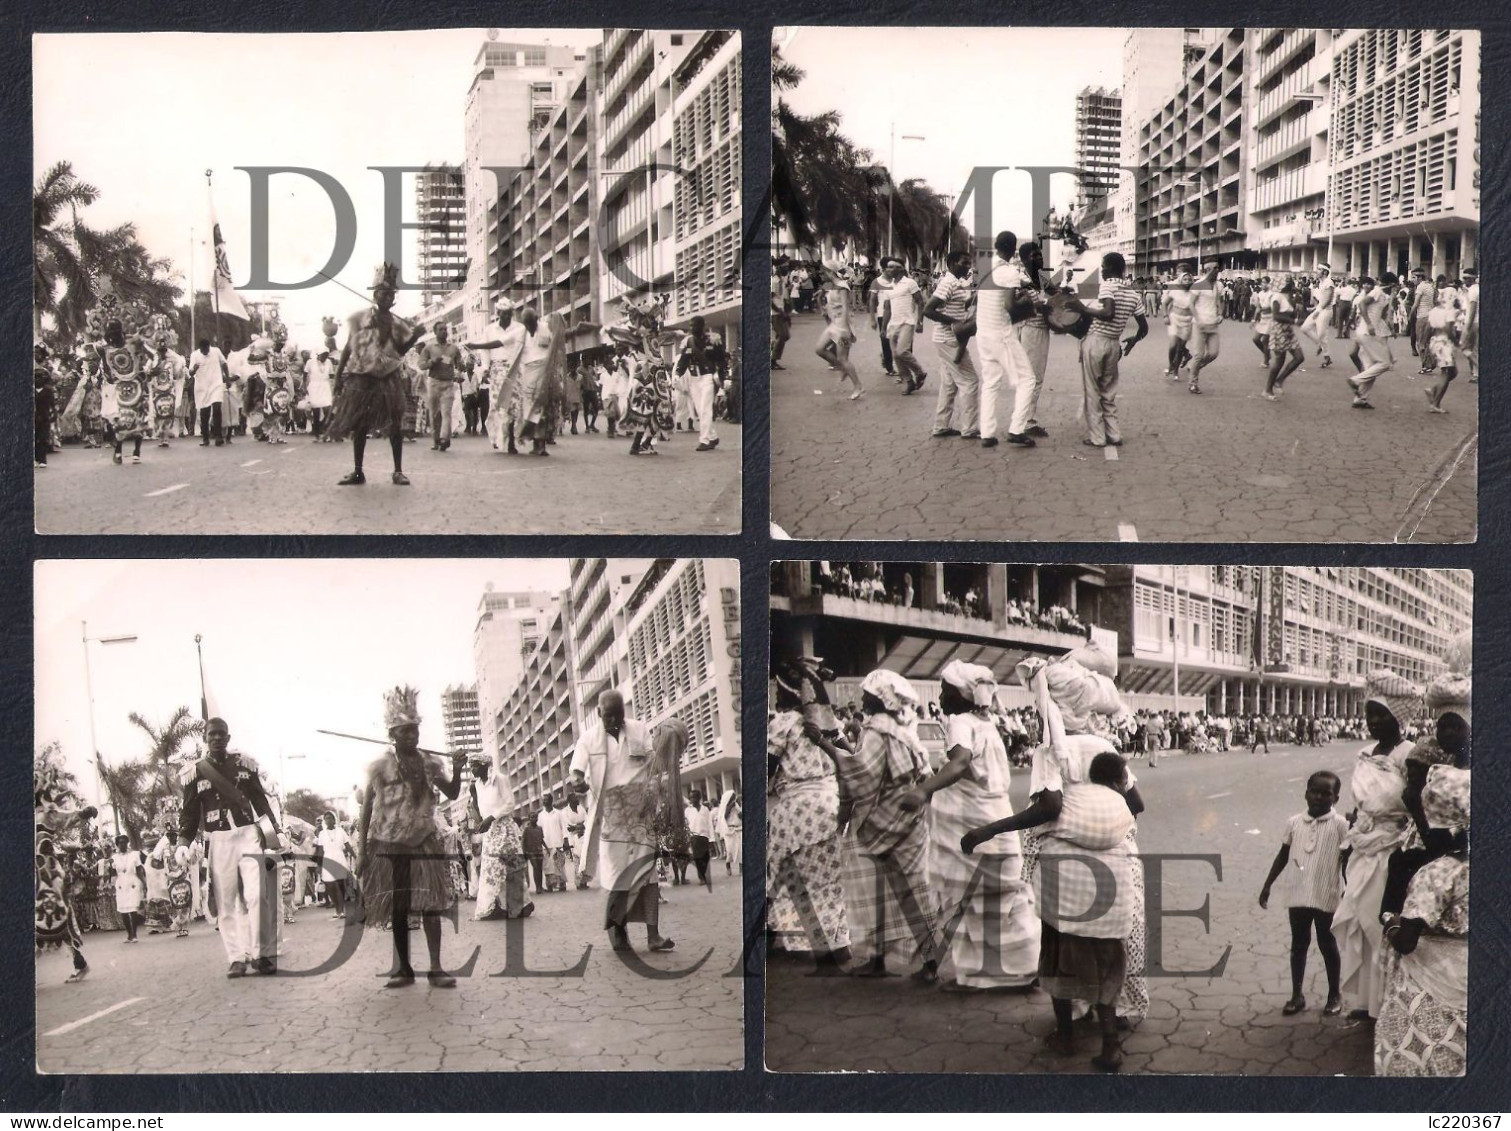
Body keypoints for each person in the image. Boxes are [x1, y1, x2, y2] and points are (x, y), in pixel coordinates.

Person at [964, 648, 1145, 1070]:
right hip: (1113, 861)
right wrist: (1101, 812)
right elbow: (1135, 802)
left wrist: (990, 829)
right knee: (1106, 953)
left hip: (1066, 865)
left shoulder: (1051, 750)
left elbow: (1048, 807)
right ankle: (1109, 1043)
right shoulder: (1104, 744)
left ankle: (1065, 1036)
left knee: (1060, 947)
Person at [924, 660, 1039, 992]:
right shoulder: (986, 723)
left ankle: (978, 978)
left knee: (969, 898)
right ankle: (1023, 969)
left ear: (961, 694)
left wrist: (922, 790)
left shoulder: (960, 722)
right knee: (1003, 899)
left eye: (945, 690)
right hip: (993, 819)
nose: (941, 697)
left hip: (973, 825)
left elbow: (959, 763)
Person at [834, 669, 942, 982]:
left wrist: (831, 750)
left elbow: (863, 776)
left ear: (877, 699)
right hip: (910, 818)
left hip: (880, 820)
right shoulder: (904, 730)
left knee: (872, 890)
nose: (861, 698)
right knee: (910, 889)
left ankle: (877, 958)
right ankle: (928, 959)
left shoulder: (877, 732)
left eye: (866, 694)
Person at [355, 685, 465, 988]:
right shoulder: (380, 767)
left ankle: (436, 968)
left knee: (431, 903)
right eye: (404, 731)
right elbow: (366, 810)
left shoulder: (430, 763)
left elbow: (453, 792)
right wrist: (363, 851)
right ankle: (403, 968)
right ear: (393, 734)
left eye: (414, 730)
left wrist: (457, 769)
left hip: (424, 841)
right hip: (389, 845)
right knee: (399, 908)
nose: (411, 736)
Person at [569, 691, 684, 952]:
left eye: (618, 716)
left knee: (649, 873)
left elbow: (654, 761)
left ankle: (653, 936)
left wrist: (667, 753)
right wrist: (578, 781)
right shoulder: (587, 740)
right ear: (599, 713)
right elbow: (576, 771)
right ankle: (618, 932)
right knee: (617, 876)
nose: (614, 721)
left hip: (641, 811)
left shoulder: (638, 729)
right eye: (608, 716)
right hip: (611, 815)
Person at [1332, 672, 1418, 1021]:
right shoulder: (1365, 752)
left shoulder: (1409, 754)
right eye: (1369, 713)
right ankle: (1367, 1003)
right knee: (1359, 922)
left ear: (1398, 716)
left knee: (1380, 923)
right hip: (1362, 847)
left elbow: (1413, 803)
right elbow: (1360, 804)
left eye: (1380, 714)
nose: (1373, 721)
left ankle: (1387, 1004)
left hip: (1392, 849)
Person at [1375, 764, 1468, 1076]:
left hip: (1433, 982)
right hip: (1472, 975)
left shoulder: (1437, 873)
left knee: (1423, 1052)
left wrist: (1391, 922)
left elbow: (1406, 941)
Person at [179, 717, 283, 977]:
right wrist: (183, 841)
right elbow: (190, 814)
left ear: (228, 737)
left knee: (257, 894)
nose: (216, 738)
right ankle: (236, 957)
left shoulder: (244, 765)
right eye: (211, 734)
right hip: (219, 839)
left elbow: (261, 804)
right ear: (205, 738)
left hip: (248, 835)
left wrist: (275, 835)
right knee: (226, 902)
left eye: (220, 734)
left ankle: (261, 955)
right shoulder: (195, 772)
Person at [767, 659, 851, 969]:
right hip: (830, 806)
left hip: (797, 812)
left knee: (792, 876)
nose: (775, 695)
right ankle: (839, 943)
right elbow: (850, 757)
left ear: (789, 691)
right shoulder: (830, 723)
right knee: (828, 878)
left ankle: (806, 943)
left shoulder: (783, 723)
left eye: (778, 688)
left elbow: (768, 769)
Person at [1258, 770, 1348, 1017]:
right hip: (1297, 892)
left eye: (1326, 793)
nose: (1319, 797)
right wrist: (1267, 885)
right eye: (1314, 792)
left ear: (1336, 798)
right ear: (1305, 794)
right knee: (1299, 943)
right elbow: (1283, 855)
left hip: (1325, 892)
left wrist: (1349, 891)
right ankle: (1296, 995)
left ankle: (1333, 995)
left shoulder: (1341, 825)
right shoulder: (1294, 822)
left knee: (1327, 943)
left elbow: (1348, 860)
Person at [329, 264, 426, 485]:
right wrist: (337, 378)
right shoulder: (361, 319)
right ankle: (357, 471)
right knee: (360, 425)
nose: (387, 297)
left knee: (395, 423)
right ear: (375, 295)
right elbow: (347, 348)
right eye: (383, 293)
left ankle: (398, 470)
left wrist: (415, 337)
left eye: (391, 294)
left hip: (388, 377)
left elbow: (400, 351)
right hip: (363, 377)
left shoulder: (397, 322)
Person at [1065, 252, 1147, 449]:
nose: (1101, 269)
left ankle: (1097, 437)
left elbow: (1108, 312)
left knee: (1092, 390)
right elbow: (1144, 328)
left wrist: (1082, 309)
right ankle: (1114, 434)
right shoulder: (1133, 294)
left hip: (1096, 341)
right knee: (1109, 391)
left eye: (1103, 266)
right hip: (1114, 344)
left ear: (1110, 268)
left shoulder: (1107, 287)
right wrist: (1133, 340)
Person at [35, 769, 98, 982]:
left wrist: (84, 813)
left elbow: (68, 818)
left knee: (59, 918)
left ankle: (79, 963)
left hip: (47, 874)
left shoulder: (47, 812)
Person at [924, 250, 980, 440]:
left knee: (949, 384)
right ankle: (970, 428)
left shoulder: (955, 283)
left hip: (945, 338)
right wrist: (954, 322)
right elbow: (928, 310)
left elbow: (953, 307)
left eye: (968, 263)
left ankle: (941, 426)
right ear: (952, 263)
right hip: (949, 339)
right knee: (970, 381)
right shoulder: (948, 282)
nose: (967, 266)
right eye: (964, 263)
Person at [470, 756, 531, 920]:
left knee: (509, 866)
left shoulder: (501, 779)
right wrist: (483, 821)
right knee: (491, 867)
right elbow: (480, 807)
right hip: (490, 832)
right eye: (470, 766)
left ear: (484, 765)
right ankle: (496, 906)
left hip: (505, 829)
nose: (472, 769)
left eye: (474, 766)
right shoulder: (476, 784)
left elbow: (510, 804)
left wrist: (491, 818)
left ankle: (521, 904)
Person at [1345, 274, 1398, 409]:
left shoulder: (1385, 296)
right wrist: (1369, 324)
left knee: (1371, 368)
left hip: (1368, 333)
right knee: (1385, 363)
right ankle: (1355, 380)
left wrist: (1390, 328)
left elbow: (1384, 315)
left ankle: (1360, 399)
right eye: (1394, 286)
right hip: (1366, 332)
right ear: (1391, 285)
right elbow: (1362, 304)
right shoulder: (1377, 291)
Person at [677, 316, 729, 453]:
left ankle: (704, 440)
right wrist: (677, 374)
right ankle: (713, 437)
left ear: (702, 326)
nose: (692, 328)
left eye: (694, 325)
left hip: (708, 377)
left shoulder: (713, 340)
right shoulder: (688, 342)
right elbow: (684, 359)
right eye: (690, 325)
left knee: (705, 409)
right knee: (700, 411)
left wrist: (722, 379)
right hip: (694, 378)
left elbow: (721, 360)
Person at [815, 266, 863, 400]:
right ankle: (842, 368)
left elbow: (846, 308)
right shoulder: (830, 286)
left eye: (823, 272)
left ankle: (858, 386)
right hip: (834, 323)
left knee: (843, 359)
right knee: (819, 349)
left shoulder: (842, 287)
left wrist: (844, 330)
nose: (821, 274)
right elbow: (826, 302)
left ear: (831, 272)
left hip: (843, 325)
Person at [416, 322, 464, 452]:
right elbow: (421, 365)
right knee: (434, 413)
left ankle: (444, 439)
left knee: (446, 412)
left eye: (445, 329)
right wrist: (432, 362)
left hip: (448, 383)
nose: (444, 332)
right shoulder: (429, 348)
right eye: (440, 330)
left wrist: (460, 370)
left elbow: (460, 364)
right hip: (433, 383)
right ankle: (436, 440)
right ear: (435, 332)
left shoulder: (453, 348)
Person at [884, 259, 928, 394]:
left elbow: (920, 302)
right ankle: (909, 382)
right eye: (888, 267)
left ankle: (919, 372)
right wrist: (883, 327)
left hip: (907, 322)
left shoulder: (910, 283)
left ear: (900, 269)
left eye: (892, 267)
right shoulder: (888, 286)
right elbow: (887, 309)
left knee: (902, 351)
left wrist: (920, 322)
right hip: (893, 324)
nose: (888, 270)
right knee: (896, 355)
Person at [1264, 279, 1306, 399]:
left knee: (1299, 357)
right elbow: (1276, 316)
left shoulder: (1286, 297)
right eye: (1287, 282)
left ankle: (1279, 381)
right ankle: (1268, 389)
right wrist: (1294, 321)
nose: (1290, 284)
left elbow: (1290, 313)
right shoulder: (1276, 297)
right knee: (1279, 361)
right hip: (1279, 330)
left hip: (1288, 330)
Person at [188, 339, 229, 446]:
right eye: (203, 350)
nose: (205, 352)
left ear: (209, 347)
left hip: (216, 384)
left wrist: (227, 378)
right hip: (202, 388)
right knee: (204, 413)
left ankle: (218, 436)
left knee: (216, 409)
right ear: (200, 348)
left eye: (206, 349)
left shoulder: (216, 351)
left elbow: (224, 363)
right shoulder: (195, 355)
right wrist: (195, 369)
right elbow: (190, 372)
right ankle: (205, 438)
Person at [315, 811, 352, 919]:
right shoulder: (321, 834)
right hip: (327, 859)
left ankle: (342, 910)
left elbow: (348, 846)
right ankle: (337, 909)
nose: (329, 820)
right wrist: (319, 865)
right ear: (324, 821)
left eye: (331, 818)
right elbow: (320, 851)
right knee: (330, 886)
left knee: (340, 885)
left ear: (334, 819)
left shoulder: (341, 831)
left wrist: (356, 857)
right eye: (326, 818)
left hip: (339, 858)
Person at [1300, 266, 1336, 367]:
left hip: (1326, 311)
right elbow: (1321, 300)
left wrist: (1317, 310)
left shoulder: (1329, 282)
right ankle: (1320, 345)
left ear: (1325, 272)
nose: (1317, 271)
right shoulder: (1321, 283)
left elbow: (1327, 300)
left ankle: (1327, 357)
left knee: (1321, 335)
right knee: (1304, 328)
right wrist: (1315, 308)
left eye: (1319, 269)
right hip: (1319, 310)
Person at [538, 795, 570, 892]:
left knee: (559, 864)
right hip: (546, 845)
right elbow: (539, 831)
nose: (544, 802)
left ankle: (562, 884)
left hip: (558, 842)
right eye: (543, 800)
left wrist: (565, 840)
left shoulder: (558, 813)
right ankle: (550, 885)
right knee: (548, 866)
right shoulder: (541, 815)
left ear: (551, 801)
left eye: (546, 800)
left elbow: (564, 827)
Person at [684, 789, 714, 886]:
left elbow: (709, 824)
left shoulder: (705, 809)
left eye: (694, 797)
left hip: (704, 836)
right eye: (691, 797)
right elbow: (686, 825)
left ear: (699, 798)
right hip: (694, 836)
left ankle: (704, 874)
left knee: (705, 857)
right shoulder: (688, 810)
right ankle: (701, 877)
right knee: (697, 857)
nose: (692, 799)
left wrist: (712, 839)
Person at [522, 812, 547, 893]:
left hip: (539, 851)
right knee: (535, 868)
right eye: (532, 817)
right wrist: (524, 852)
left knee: (540, 869)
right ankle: (538, 888)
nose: (534, 819)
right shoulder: (526, 829)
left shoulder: (539, 828)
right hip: (531, 852)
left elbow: (541, 839)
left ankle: (540, 886)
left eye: (535, 817)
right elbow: (523, 841)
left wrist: (546, 848)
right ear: (529, 818)